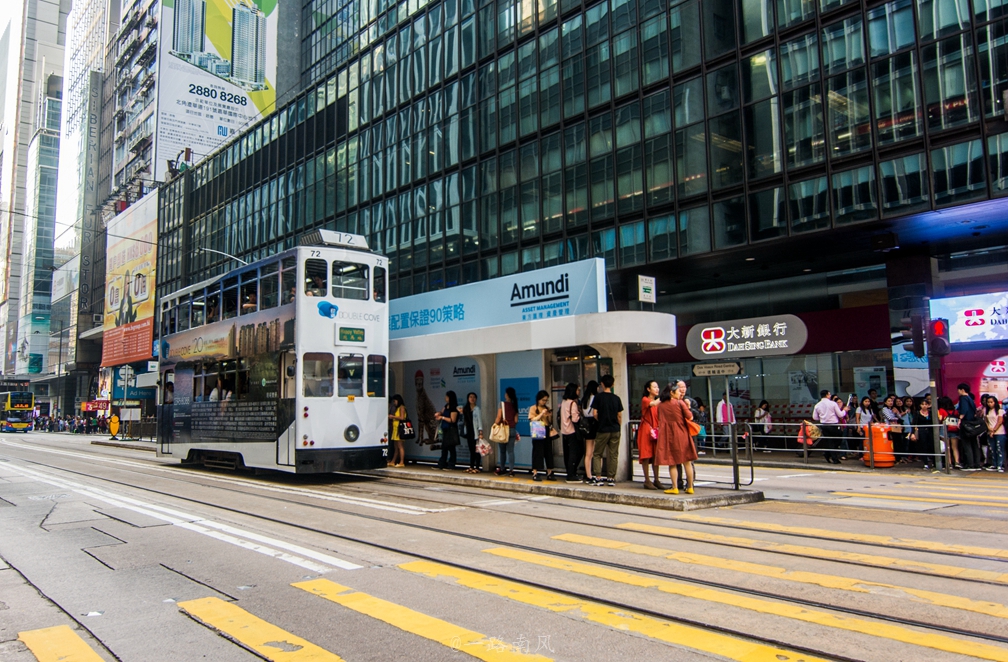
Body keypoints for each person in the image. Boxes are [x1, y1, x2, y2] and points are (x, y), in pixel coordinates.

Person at [655, 382, 697, 495]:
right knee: (687, 461)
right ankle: (690, 487)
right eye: (678, 391)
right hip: (681, 432)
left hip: (667, 434)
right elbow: (690, 416)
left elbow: (659, 417)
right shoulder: (680, 403)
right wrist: (688, 406)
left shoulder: (661, 405)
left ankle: (674, 487)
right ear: (672, 393)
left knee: (672, 462)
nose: (680, 393)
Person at [591, 374, 623, 487]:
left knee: (597, 453)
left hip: (602, 429)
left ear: (602, 384)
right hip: (615, 429)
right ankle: (611, 478)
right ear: (613, 384)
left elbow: (594, 413)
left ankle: (598, 477)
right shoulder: (616, 398)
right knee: (613, 454)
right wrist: (618, 426)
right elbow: (619, 416)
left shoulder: (598, 397)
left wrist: (601, 420)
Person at [637, 381, 661, 489]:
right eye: (654, 387)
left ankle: (656, 479)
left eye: (657, 387)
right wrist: (663, 397)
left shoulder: (658, 402)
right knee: (646, 454)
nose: (657, 389)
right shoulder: (645, 400)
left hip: (656, 429)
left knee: (656, 455)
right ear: (648, 389)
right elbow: (652, 404)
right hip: (646, 429)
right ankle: (647, 480)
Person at [528, 390, 557, 481]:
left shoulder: (547, 408)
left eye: (546, 400)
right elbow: (533, 419)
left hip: (546, 430)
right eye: (543, 400)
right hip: (538, 430)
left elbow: (549, 422)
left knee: (548, 451)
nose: (544, 402)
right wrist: (541, 414)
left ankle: (549, 471)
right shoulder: (533, 408)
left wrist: (549, 415)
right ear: (539, 399)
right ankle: (535, 472)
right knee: (537, 451)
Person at [813, 389, 846, 464]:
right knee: (839, 438)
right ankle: (831, 456)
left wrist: (822, 417)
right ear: (827, 395)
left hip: (824, 425)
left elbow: (815, 417)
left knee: (830, 441)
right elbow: (840, 414)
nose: (830, 395)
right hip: (833, 424)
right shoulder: (833, 404)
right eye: (829, 394)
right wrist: (845, 410)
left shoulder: (817, 405)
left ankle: (830, 455)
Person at [559, 383, 583, 483]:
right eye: (577, 390)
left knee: (567, 453)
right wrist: (579, 414)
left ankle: (570, 472)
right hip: (572, 431)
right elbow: (575, 419)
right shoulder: (572, 403)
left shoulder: (564, 401)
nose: (579, 392)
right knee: (576, 452)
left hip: (564, 431)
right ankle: (571, 474)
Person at [494, 387, 520, 477]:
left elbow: (498, 417)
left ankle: (502, 469)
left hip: (503, 431)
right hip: (512, 430)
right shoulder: (515, 405)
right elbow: (516, 420)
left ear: (507, 395)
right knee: (511, 451)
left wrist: (495, 424)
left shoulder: (501, 404)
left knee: (502, 451)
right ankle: (511, 470)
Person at [957, 383, 982, 471]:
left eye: (959, 390)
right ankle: (977, 464)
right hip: (972, 423)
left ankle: (969, 464)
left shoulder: (963, 398)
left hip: (966, 423)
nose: (958, 392)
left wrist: (960, 419)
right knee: (974, 444)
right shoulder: (970, 398)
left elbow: (964, 410)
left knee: (966, 444)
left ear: (962, 390)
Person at [435, 390, 460, 470]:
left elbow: (453, 420)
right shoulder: (446, 406)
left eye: (447, 397)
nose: (445, 398)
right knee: (444, 447)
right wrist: (438, 414)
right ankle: (442, 463)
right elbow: (441, 412)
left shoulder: (454, 408)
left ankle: (451, 464)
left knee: (451, 448)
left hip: (451, 429)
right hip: (444, 428)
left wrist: (442, 418)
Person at [580, 381, 599, 484]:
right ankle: (597, 474)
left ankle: (588, 475)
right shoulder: (595, 398)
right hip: (594, 424)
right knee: (596, 452)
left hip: (586, 425)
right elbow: (596, 413)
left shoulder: (584, 400)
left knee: (588, 453)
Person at [462, 392, 483, 473]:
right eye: (470, 397)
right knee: (471, 450)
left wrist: (480, 432)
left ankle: (477, 467)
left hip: (475, 431)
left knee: (477, 450)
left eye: (474, 397)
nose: (472, 398)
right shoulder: (466, 409)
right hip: (468, 431)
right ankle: (471, 466)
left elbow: (479, 421)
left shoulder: (477, 409)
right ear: (468, 399)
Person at [937, 396, 960, 469]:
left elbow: (940, 419)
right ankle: (957, 462)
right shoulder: (955, 411)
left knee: (947, 448)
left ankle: (949, 463)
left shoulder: (941, 410)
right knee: (955, 448)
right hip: (954, 430)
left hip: (944, 430)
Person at [911, 397, 934, 471]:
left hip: (930, 431)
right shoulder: (917, 413)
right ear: (920, 405)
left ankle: (934, 462)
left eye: (926, 404)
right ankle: (925, 463)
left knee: (931, 446)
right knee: (923, 447)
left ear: (928, 405)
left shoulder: (931, 412)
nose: (924, 406)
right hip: (921, 432)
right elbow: (914, 424)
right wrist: (912, 433)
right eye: (922, 404)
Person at [984, 395, 1005, 473]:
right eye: (988, 402)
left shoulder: (1000, 410)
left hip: (999, 432)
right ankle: (994, 464)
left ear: (995, 402)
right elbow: (986, 420)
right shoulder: (986, 411)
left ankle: (1000, 465)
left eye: (991, 402)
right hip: (990, 431)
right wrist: (989, 428)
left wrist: (994, 430)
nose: (990, 404)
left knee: (999, 449)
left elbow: (1000, 421)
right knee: (992, 449)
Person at [388, 394, 407, 467]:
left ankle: (402, 461)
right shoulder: (397, 408)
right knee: (396, 446)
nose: (394, 402)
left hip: (399, 429)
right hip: (396, 428)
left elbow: (402, 418)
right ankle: (393, 461)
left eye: (395, 401)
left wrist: (393, 417)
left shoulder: (402, 408)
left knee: (400, 446)